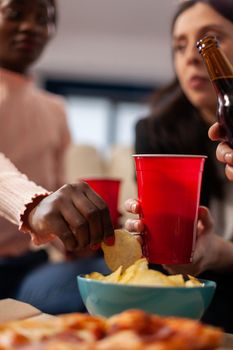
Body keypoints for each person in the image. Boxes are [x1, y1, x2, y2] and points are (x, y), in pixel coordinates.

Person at [125, 0, 233, 332]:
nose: (190, 57)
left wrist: (219, 253)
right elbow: (168, 268)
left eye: (210, 39)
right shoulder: (155, 132)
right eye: (179, 46)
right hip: (195, 287)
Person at [0, 0, 114, 314]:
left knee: (110, 283)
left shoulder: (54, 109)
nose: (30, 26)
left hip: (30, 265)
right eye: (15, 13)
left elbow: (59, 184)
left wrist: (77, 231)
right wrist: (36, 206)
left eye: (43, 18)